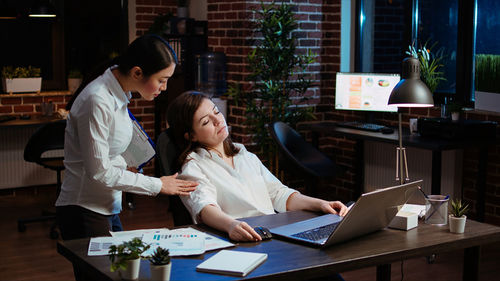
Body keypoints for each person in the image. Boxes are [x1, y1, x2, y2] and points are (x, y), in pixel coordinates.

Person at [55, 35, 198, 240]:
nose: (164, 88)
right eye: (161, 80)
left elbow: (106, 154)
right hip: (84, 207)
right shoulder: (98, 100)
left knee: (120, 270)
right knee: (107, 271)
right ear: (137, 72)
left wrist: (122, 164)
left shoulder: (119, 95)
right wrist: (158, 185)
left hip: (106, 205)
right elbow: (99, 172)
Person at [167, 91, 348, 242]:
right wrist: (231, 225)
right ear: (191, 136)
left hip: (273, 233)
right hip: (243, 239)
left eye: (216, 111)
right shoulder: (192, 167)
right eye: (206, 122)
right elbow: (205, 208)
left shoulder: (243, 154)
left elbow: (279, 194)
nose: (217, 120)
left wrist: (321, 204)